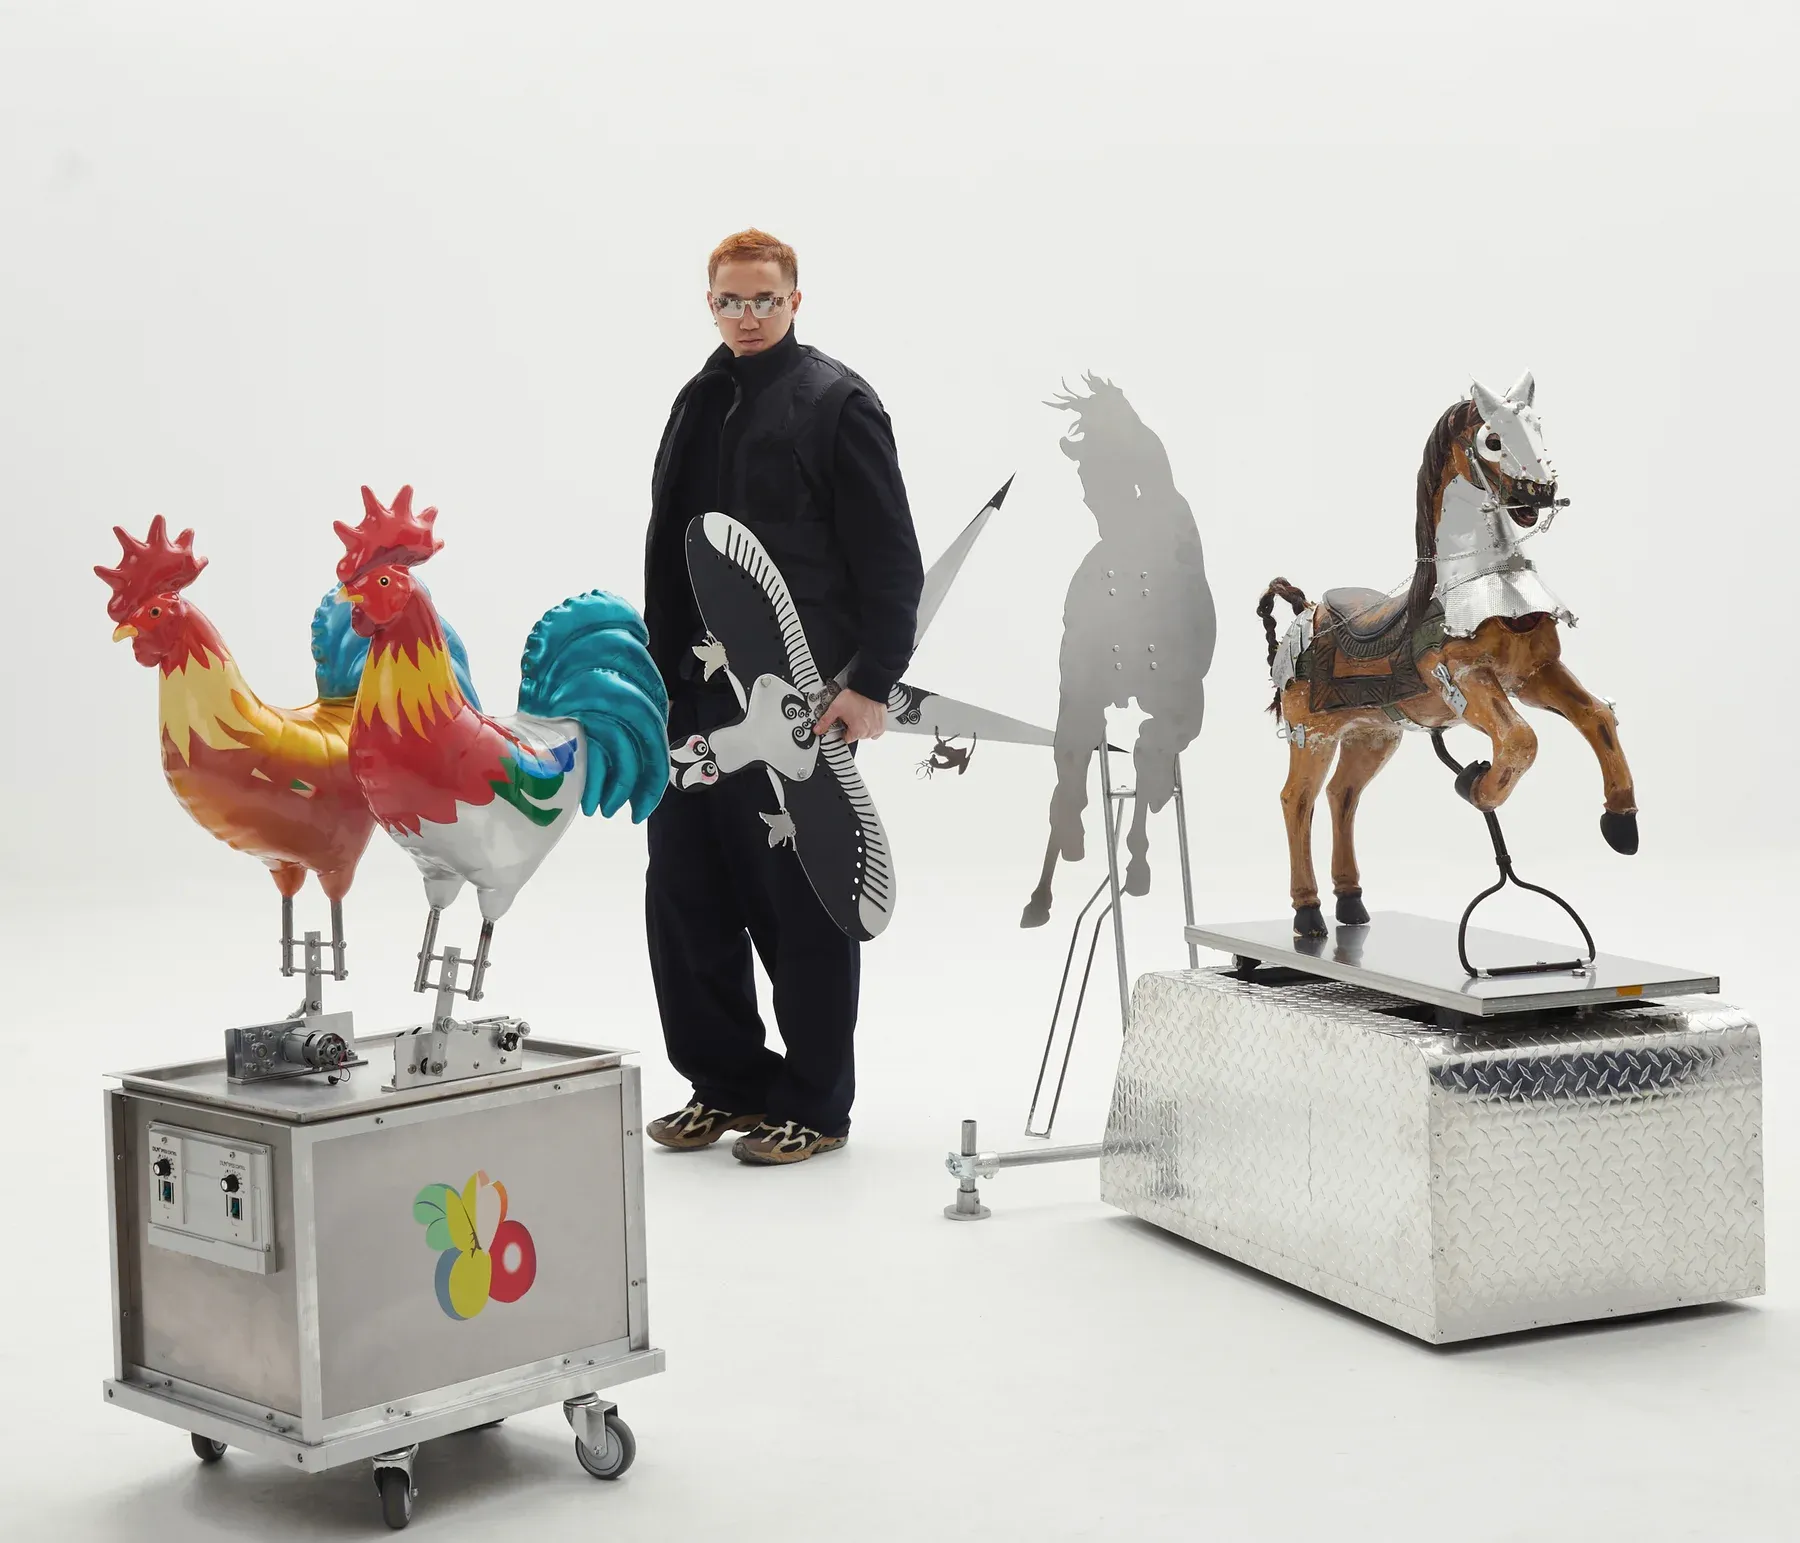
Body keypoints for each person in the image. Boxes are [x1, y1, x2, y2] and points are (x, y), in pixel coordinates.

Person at [641, 228, 924, 1166]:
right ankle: (723, 1082)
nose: (747, 316)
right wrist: (656, 680)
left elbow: (891, 559)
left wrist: (871, 682)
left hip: (793, 704)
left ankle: (814, 1103)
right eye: (730, 300)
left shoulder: (838, 403)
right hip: (691, 695)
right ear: (709, 303)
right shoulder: (697, 399)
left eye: (764, 300)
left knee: (802, 903)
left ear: (796, 299)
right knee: (687, 896)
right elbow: (664, 549)